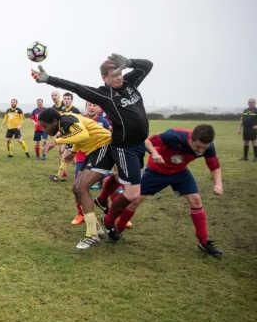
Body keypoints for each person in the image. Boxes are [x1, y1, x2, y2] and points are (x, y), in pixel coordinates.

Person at [32, 53, 153, 241]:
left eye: (120, 73)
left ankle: (103, 201)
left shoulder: (129, 83)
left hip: (138, 145)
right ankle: (108, 220)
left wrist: (129, 62)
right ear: (104, 78)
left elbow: (147, 65)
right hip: (123, 147)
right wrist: (48, 79)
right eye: (114, 76)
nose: (119, 78)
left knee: (120, 180)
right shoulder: (104, 95)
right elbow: (76, 87)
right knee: (131, 193)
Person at [112, 125, 224, 257]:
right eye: (198, 147)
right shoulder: (174, 136)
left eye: (204, 148)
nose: (200, 151)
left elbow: (215, 167)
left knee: (196, 200)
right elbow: (147, 141)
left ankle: (204, 242)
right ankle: (117, 230)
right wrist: (154, 153)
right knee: (135, 201)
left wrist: (218, 184)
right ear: (191, 139)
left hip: (180, 172)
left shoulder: (208, 147)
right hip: (156, 171)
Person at [39, 108, 112, 249]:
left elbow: (82, 134)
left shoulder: (66, 120)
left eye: (45, 126)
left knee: (81, 187)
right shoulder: (64, 122)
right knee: (76, 188)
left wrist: (56, 141)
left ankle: (92, 235)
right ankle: (95, 228)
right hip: (93, 150)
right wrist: (73, 151)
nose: (45, 130)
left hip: (104, 146)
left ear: (54, 121)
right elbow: (79, 135)